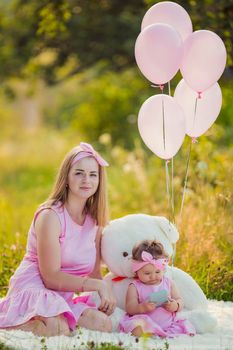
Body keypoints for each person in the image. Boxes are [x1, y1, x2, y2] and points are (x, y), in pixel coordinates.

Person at [0, 142, 116, 336]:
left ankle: (54, 323)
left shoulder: (95, 221)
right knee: (58, 329)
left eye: (93, 174)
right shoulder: (51, 216)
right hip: (35, 286)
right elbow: (51, 277)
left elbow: (95, 273)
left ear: (99, 180)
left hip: (62, 295)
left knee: (102, 324)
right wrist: (97, 286)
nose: (86, 180)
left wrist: (113, 295)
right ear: (67, 178)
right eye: (79, 173)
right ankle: (11, 323)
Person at [119, 239, 196, 338]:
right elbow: (130, 308)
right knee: (136, 327)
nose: (153, 276)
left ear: (163, 269)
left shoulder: (168, 283)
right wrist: (143, 307)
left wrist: (175, 305)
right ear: (136, 271)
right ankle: (151, 333)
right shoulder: (134, 286)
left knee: (184, 327)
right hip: (145, 322)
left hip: (168, 324)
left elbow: (180, 300)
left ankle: (162, 333)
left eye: (157, 272)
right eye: (147, 273)